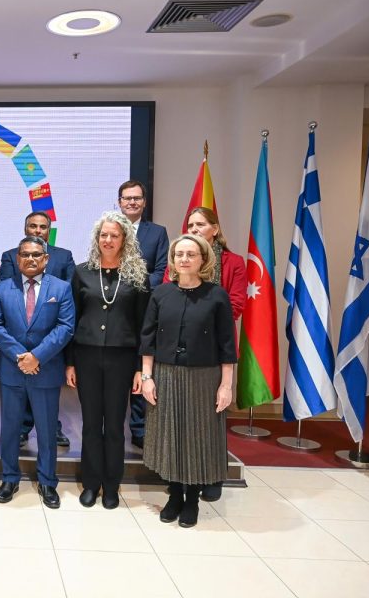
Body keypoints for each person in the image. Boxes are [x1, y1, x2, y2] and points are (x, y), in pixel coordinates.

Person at [138, 234, 236, 528]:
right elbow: (148, 339)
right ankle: (175, 496)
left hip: (204, 377)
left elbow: (227, 344)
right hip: (166, 375)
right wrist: (147, 377)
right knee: (171, 435)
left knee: (196, 436)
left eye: (191, 254)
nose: (184, 259)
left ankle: (192, 499)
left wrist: (226, 385)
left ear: (203, 259)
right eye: (179, 254)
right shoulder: (160, 294)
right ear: (172, 259)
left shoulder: (216, 295)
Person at [66, 212, 149, 510]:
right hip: (86, 356)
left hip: (121, 359)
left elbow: (143, 325)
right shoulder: (82, 272)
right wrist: (70, 363)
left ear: (124, 239)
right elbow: (72, 319)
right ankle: (91, 483)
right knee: (90, 424)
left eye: (114, 235)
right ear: (96, 238)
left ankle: (112, 486)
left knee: (114, 425)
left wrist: (140, 368)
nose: (108, 240)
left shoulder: (137, 275)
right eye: (104, 235)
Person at [0, 236, 74, 509]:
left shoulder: (61, 288)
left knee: (47, 431)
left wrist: (37, 356)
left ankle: (48, 481)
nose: (31, 259)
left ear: (46, 259)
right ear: (17, 259)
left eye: (36, 254)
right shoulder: (2, 288)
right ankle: (9, 478)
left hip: (45, 370)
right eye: (25, 254)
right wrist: (20, 356)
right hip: (12, 371)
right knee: (10, 429)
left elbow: (65, 327)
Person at [184, 206, 246, 502]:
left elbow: (236, 304)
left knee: (213, 415)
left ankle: (212, 476)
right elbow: (169, 299)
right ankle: (183, 474)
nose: (194, 229)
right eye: (190, 225)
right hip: (182, 346)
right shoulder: (180, 259)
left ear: (215, 229)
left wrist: (200, 319)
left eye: (200, 224)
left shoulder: (233, 262)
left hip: (216, 347)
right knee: (184, 415)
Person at [0, 211, 75, 448]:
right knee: (19, 398)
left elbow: (69, 291)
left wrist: (41, 352)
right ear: (25, 229)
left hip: (49, 341)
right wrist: (23, 354)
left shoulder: (63, 256)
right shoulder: (11, 256)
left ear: (49, 231)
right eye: (33, 226)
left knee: (47, 401)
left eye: (43, 227)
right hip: (18, 340)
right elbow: (6, 295)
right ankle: (23, 428)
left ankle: (53, 428)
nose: (38, 230)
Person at [118, 180, 169, 451]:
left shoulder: (157, 232)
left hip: (146, 308)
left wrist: (136, 286)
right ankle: (112, 427)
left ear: (144, 202)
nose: (132, 202)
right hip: (114, 308)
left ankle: (139, 429)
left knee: (143, 366)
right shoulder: (110, 229)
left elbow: (161, 270)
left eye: (137, 198)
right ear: (120, 202)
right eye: (127, 198)